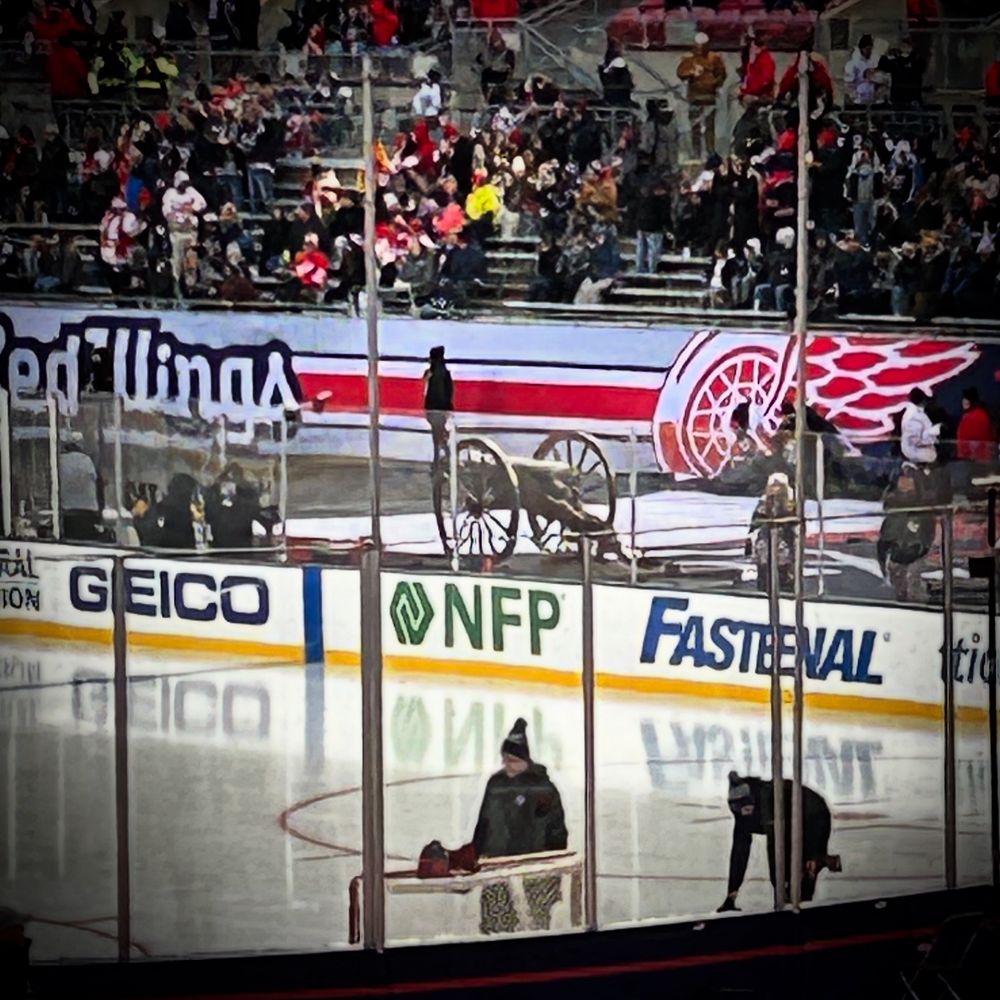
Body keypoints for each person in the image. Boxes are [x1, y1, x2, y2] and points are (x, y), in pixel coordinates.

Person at [472, 718, 568, 934]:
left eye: (513, 760)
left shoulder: (542, 788)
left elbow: (556, 830)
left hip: (534, 867)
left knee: (537, 925)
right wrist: (476, 852)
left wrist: (553, 868)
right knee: (496, 924)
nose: (507, 764)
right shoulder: (496, 784)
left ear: (525, 760)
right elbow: (484, 822)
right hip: (497, 864)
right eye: (505, 759)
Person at [717, 772, 840, 911]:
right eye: (741, 811)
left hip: (813, 816)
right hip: (791, 820)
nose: (745, 813)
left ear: (753, 801)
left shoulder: (767, 802)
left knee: (805, 870)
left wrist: (812, 854)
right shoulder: (741, 815)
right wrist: (732, 894)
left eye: (747, 809)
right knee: (790, 882)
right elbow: (739, 852)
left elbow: (776, 849)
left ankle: (819, 864)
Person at [878, 463, 936, 603]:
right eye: (902, 477)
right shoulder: (893, 511)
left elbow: (927, 535)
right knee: (900, 584)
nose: (905, 481)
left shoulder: (923, 510)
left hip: (915, 555)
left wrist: (920, 549)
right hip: (897, 556)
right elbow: (884, 539)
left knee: (912, 582)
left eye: (909, 477)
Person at [677, 32, 727, 160]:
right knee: (695, 127)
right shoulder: (689, 59)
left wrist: (713, 84)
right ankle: (697, 152)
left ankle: (710, 152)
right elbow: (681, 73)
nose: (700, 49)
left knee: (709, 127)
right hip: (695, 98)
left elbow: (721, 75)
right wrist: (691, 72)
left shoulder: (714, 58)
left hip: (709, 98)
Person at [205, 463, 261, 551]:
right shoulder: (214, 495)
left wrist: (238, 498)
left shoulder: (248, 495)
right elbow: (207, 515)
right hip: (217, 548)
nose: (230, 483)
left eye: (234, 478)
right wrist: (218, 486)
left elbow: (254, 512)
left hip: (243, 548)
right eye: (227, 479)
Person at [59, 436, 102, 541]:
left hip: (67, 512)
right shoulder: (87, 461)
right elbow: (98, 484)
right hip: (89, 512)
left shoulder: (60, 460)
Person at [423, 345, 453, 466]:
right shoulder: (444, 372)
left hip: (435, 407)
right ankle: (446, 456)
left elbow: (433, 391)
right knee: (439, 433)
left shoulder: (434, 373)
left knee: (436, 434)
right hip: (442, 407)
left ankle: (442, 457)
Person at [900, 387, 940, 465]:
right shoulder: (914, 415)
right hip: (917, 454)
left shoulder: (915, 413)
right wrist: (933, 433)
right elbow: (914, 440)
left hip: (918, 454)